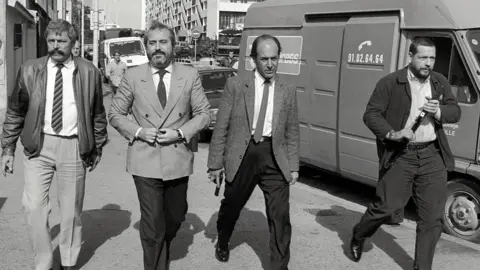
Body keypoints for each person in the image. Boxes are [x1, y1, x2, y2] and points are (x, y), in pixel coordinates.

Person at [0, 19, 108, 270]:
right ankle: (45, 261)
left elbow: (97, 114)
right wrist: (7, 148)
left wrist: (97, 146)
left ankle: (68, 261)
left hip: (74, 147)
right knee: (33, 207)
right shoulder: (30, 69)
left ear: (73, 43)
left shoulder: (89, 71)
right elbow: (16, 111)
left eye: (62, 41)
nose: (56, 46)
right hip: (38, 147)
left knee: (71, 211)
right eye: (51, 40)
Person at [350, 37, 461, 270]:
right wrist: (392, 133)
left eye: (432, 58)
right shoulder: (390, 83)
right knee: (387, 207)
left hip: (432, 155)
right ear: (410, 57)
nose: (428, 63)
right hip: (401, 154)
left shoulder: (439, 82)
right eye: (423, 57)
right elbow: (371, 115)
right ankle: (360, 234)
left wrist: (440, 112)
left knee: (432, 219)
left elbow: (455, 111)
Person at [108, 21, 211, 270]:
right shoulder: (133, 76)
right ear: (146, 47)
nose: (158, 48)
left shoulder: (189, 75)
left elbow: (204, 114)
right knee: (153, 223)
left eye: (163, 42)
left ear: (173, 46)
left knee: (175, 216)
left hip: (178, 159)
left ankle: (161, 247)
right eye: (152, 43)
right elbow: (115, 114)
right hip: (145, 159)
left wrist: (178, 132)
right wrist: (140, 131)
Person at [208, 34, 300, 270]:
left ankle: (279, 265)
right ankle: (224, 240)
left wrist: (294, 166)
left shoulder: (287, 89)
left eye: (274, 58)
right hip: (243, 152)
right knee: (232, 205)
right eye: (264, 59)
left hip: (274, 155)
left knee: (280, 215)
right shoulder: (237, 84)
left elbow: (292, 130)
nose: (270, 64)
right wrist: (215, 163)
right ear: (254, 60)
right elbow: (222, 126)